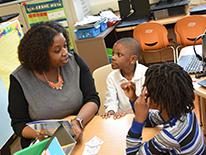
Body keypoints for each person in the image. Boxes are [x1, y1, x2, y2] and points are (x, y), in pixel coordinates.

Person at [8, 22, 100, 148]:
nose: (65, 52)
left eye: (65, 46)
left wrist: (78, 121)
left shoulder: (75, 62)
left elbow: (92, 99)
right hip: (45, 142)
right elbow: (18, 124)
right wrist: (43, 133)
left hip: (80, 131)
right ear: (40, 55)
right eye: (57, 50)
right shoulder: (19, 79)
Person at [121, 62, 205, 154]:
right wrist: (133, 98)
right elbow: (149, 121)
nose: (144, 92)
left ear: (159, 99)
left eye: (146, 87)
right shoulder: (183, 110)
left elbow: (133, 153)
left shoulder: (170, 136)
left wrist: (138, 120)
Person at [101, 38, 147, 119]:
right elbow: (111, 101)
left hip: (144, 118)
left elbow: (149, 105)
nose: (113, 57)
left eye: (119, 55)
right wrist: (110, 112)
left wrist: (129, 113)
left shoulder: (146, 74)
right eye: (113, 54)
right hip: (121, 119)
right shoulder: (112, 77)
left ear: (132, 59)